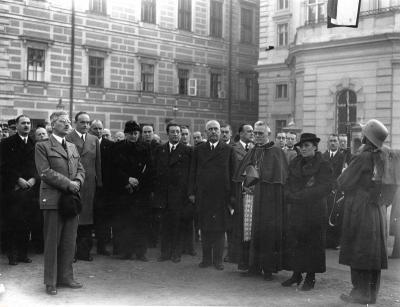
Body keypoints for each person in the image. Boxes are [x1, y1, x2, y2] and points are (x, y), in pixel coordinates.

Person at [338, 119, 390, 305]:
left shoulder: (362, 157)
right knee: (373, 252)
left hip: (360, 208)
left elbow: (343, 182)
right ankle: (370, 294)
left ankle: (359, 294)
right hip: (377, 209)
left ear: (366, 137)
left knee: (359, 249)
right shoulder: (383, 155)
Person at [35, 111, 85, 295]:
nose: (67, 124)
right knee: (52, 242)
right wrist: (69, 184)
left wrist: (78, 182)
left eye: (68, 121)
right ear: (53, 124)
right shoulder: (43, 146)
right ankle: (51, 281)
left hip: (71, 200)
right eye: (63, 121)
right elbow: (45, 172)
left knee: (69, 241)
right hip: (54, 200)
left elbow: (81, 168)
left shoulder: (72, 146)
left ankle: (66, 277)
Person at [233, 121, 288, 280]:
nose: (256, 136)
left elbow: (279, 179)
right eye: (255, 133)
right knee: (249, 232)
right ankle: (253, 266)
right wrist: (246, 183)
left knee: (267, 234)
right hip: (251, 199)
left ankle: (268, 269)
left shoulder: (276, 152)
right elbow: (243, 172)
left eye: (260, 134)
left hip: (268, 202)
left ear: (268, 135)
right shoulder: (252, 150)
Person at [283, 133, 332, 291]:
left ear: (315, 147)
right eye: (301, 146)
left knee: (313, 244)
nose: (303, 149)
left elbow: (325, 187)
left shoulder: (323, 163)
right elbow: (288, 183)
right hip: (297, 209)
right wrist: (289, 195)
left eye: (307, 146)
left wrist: (301, 195)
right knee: (296, 240)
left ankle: (311, 277)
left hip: (315, 210)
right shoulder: (295, 162)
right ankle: (296, 274)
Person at [188, 120, 237, 270]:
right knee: (205, 228)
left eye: (216, 129)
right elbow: (193, 172)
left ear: (220, 132)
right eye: (210, 129)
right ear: (206, 132)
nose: (214, 132)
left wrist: (233, 196)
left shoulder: (228, 150)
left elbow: (233, 174)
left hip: (222, 195)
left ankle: (218, 261)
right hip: (204, 195)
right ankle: (206, 259)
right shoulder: (199, 149)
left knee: (220, 229)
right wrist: (191, 192)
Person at [111, 120, 153, 261]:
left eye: (136, 133)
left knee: (141, 222)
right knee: (125, 222)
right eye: (130, 134)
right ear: (125, 134)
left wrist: (138, 181)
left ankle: (141, 252)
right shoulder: (117, 147)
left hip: (140, 191)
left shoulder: (145, 147)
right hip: (123, 190)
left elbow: (150, 168)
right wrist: (126, 180)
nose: (134, 136)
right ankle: (126, 251)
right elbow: (113, 168)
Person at [0, 115, 38, 265]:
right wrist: (17, 179)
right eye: (23, 123)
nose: (26, 126)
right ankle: (12, 254)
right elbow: (3, 165)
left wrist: (34, 179)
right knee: (12, 222)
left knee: (27, 222)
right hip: (12, 188)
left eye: (29, 123)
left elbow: (39, 165)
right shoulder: (6, 143)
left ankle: (23, 253)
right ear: (16, 125)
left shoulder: (35, 144)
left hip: (30, 188)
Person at [66, 112, 102, 261]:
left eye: (88, 123)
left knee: (87, 220)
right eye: (82, 122)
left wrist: (99, 182)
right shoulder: (68, 138)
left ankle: (84, 253)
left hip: (89, 186)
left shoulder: (94, 139)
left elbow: (98, 163)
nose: (86, 125)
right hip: (73, 182)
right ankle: (70, 253)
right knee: (73, 218)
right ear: (75, 123)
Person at [154, 123, 192, 263]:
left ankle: (176, 253)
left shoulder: (187, 151)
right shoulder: (160, 150)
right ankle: (165, 253)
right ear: (167, 134)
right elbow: (156, 172)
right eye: (172, 132)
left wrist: (188, 193)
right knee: (165, 225)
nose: (175, 134)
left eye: (178, 132)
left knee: (178, 225)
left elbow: (189, 175)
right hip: (164, 194)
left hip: (179, 195)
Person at [89, 120, 114, 256]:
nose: (98, 131)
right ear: (90, 130)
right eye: (95, 128)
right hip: (89, 186)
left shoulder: (109, 145)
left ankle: (102, 246)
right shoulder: (87, 142)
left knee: (103, 218)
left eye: (100, 128)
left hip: (104, 188)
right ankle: (85, 247)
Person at [322, 134, 346, 249]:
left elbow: (341, 174)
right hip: (325, 191)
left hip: (336, 190)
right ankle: (326, 240)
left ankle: (336, 241)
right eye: (331, 141)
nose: (332, 143)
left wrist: (335, 187)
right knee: (325, 213)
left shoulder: (342, 157)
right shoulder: (323, 156)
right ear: (328, 142)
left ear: (338, 143)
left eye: (335, 141)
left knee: (336, 214)